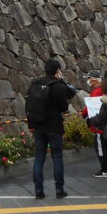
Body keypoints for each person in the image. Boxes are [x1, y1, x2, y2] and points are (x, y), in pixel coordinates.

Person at [26, 57, 71, 199]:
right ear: (57, 71)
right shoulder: (58, 86)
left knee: (39, 157)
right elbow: (64, 107)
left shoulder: (35, 84)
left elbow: (28, 105)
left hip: (38, 125)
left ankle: (38, 191)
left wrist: (30, 124)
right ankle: (59, 190)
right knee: (57, 157)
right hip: (54, 126)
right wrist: (61, 81)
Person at [83, 70, 107, 178]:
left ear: (93, 79)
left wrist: (83, 113)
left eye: (89, 78)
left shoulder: (96, 92)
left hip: (98, 124)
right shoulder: (106, 88)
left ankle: (106, 168)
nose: (88, 81)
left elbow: (89, 107)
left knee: (101, 147)